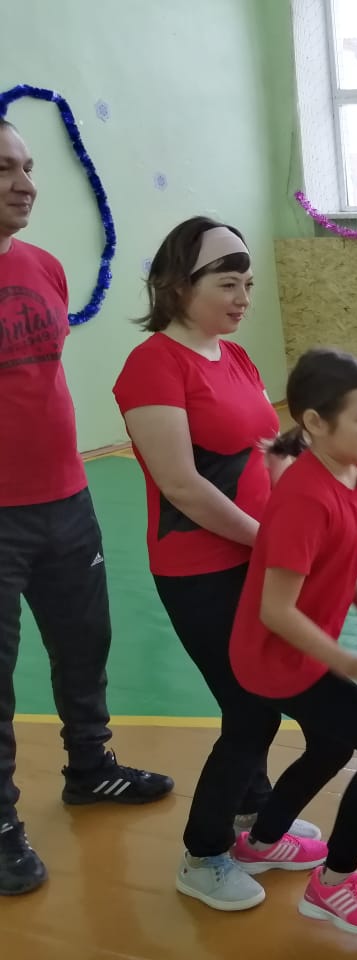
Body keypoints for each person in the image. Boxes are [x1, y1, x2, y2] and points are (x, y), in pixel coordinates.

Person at [112, 217, 326, 912]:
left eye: (248, 285)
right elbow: (181, 484)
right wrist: (268, 540)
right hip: (199, 569)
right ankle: (203, 855)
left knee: (261, 698)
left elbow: (263, 449)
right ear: (178, 285)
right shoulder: (153, 365)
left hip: (257, 558)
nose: (243, 299)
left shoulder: (233, 357)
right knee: (251, 709)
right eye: (228, 284)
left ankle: (252, 821)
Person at [0, 118, 173, 897]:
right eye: (4, 169)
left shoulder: (44, 266)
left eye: (28, 166)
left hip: (67, 498)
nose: (25, 184)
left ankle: (91, 768)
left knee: (85, 643)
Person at [228, 347, 357, 935]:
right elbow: (275, 610)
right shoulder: (303, 499)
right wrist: (348, 663)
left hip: (308, 648)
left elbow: (342, 555)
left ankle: (261, 842)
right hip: (275, 657)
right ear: (314, 422)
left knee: (332, 747)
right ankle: (333, 885)